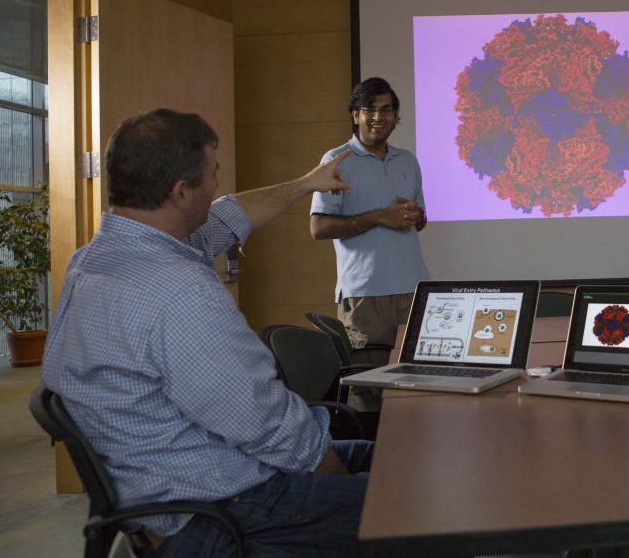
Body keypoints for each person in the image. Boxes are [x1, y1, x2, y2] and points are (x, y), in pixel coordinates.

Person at [43, 108, 370, 557]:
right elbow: (270, 425)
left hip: (178, 484)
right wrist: (340, 485)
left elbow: (224, 218)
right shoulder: (177, 290)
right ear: (180, 192)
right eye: (213, 175)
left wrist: (306, 182)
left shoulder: (96, 260)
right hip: (221, 510)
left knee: (393, 461)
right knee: (426, 505)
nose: (219, 186)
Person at [310, 77, 429, 347]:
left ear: (396, 116)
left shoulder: (408, 160)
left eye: (386, 109)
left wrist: (416, 216)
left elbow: (420, 221)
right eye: (370, 109)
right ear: (355, 114)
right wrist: (379, 216)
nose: (379, 116)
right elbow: (318, 228)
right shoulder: (336, 159)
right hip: (365, 294)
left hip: (414, 290)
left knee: (419, 378)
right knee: (367, 381)